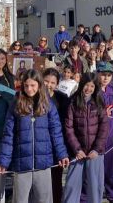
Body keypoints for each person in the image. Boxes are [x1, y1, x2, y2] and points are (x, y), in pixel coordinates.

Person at [0, 70, 70, 203]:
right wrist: (3, 161)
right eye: (26, 86)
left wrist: (61, 154)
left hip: (43, 161)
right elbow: (8, 135)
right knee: (20, 199)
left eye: (33, 85)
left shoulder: (48, 104)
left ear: (39, 85)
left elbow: (56, 132)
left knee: (44, 199)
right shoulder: (16, 103)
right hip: (22, 162)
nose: (29, 89)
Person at [62, 73, 109, 203]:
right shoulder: (73, 102)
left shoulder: (99, 102)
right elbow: (69, 128)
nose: (88, 89)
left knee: (95, 187)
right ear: (81, 85)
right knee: (72, 186)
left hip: (95, 153)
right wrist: (77, 149)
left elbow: (104, 127)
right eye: (86, 85)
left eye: (92, 86)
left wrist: (97, 149)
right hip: (77, 153)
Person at [95, 62, 113, 203]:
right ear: (98, 74)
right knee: (94, 170)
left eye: (108, 75)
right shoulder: (92, 90)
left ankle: (112, 195)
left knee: (110, 169)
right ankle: (91, 196)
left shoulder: (112, 91)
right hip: (96, 136)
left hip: (110, 135)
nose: (105, 78)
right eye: (103, 74)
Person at [42, 68, 65, 203]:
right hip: (41, 143)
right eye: (46, 81)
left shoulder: (61, 98)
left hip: (56, 143)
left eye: (52, 82)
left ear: (57, 84)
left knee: (56, 179)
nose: (48, 85)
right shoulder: (34, 95)